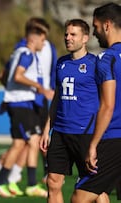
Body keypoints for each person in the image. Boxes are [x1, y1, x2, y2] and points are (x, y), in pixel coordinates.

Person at [0, 17, 57, 195]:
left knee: (32, 141)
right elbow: (12, 75)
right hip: (25, 101)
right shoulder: (25, 51)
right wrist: (16, 94)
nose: (45, 42)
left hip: (36, 101)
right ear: (34, 36)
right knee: (22, 142)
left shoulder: (46, 49)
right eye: (43, 37)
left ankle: (21, 180)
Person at [39, 18, 109, 203]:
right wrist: (47, 129)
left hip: (86, 133)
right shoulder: (61, 63)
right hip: (61, 132)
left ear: (85, 38)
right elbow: (56, 98)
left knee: (95, 187)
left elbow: (107, 100)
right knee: (53, 182)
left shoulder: (96, 64)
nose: (68, 38)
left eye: (73, 34)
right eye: (66, 34)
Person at [71, 3, 121, 202]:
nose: (94, 33)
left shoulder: (106, 58)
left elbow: (107, 106)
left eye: (96, 27)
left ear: (107, 25)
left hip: (113, 138)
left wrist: (93, 145)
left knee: (79, 198)